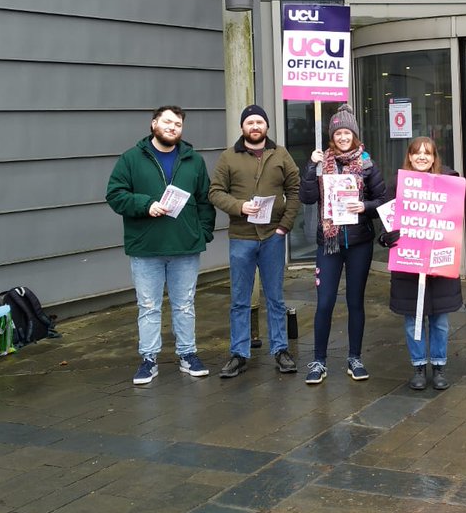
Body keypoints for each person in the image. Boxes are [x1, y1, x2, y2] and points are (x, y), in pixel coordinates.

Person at [106, 105, 215, 384]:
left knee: (184, 305)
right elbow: (115, 194)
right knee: (149, 306)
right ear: (154, 123)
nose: (172, 128)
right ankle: (149, 359)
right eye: (167, 122)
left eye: (178, 124)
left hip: (185, 246)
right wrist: (145, 205)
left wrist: (203, 233)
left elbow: (205, 200)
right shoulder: (131, 159)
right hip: (146, 247)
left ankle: (188, 354)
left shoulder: (193, 161)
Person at [209, 104, 302, 379]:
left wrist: (285, 226)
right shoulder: (229, 157)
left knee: (275, 297)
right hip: (242, 237)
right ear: (242, 128)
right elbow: (215, 192)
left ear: (267, 127)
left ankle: (281, 350)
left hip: (273, 236)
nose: (255, 126)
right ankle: (239, 353)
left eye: (259, 122)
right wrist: (239, 206)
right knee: (239, 299)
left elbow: (294, 191)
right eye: (249, 122)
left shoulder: (281, 154)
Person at [299, 104, 387, 385]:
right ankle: (319, 361)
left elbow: (383, 201)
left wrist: (364, 206)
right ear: (332, 136)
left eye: (348, 132)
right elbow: (307, 197)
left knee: (355, 302)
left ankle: (355, 358)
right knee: (324, 303)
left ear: (355, 135)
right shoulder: (320, 161)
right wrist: (311, 168)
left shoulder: (367, 163)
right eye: (338, 133)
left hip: (360, 241)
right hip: (328, 243)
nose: (343, 137)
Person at [378, 137, 462, 391]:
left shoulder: (449, 182)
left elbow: (455, 220)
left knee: (439, 320)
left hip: (439, 267)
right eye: (417, 154)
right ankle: (418, 366)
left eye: (428, 153)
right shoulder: (397, 185)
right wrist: (386, 238)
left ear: (435, 157)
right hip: (409, 267)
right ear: (410, 157)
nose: (422, 157)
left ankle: (438, 367)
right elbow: (386, 221)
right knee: (413, 319)